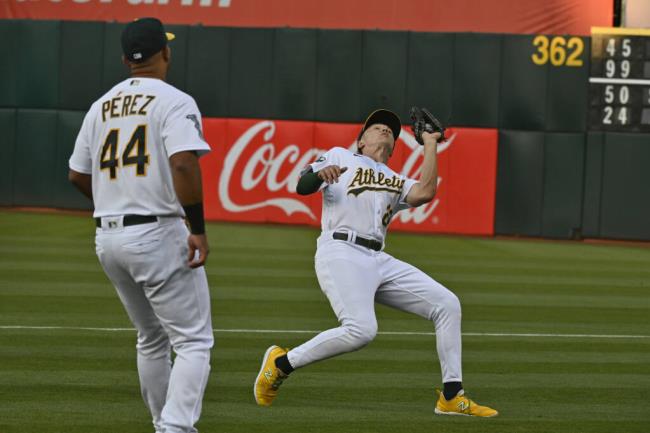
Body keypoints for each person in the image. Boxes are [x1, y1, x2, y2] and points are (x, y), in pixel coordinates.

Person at [253, 109, 498, 417]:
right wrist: (319, 175)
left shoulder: (396, 179)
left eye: (390, 131)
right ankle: (281, 363)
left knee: (447, 304)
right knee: (361, 330)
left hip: (377, 258)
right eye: (377, 127)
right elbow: (302, 186)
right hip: (340, 249)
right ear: (361, 139)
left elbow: (426, 192)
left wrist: (431, 144)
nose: (385, 131)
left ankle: (451, 396)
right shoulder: (340, 155)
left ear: (395, 147)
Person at [68, 17, 214, 433]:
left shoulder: (101, 106)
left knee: (151, 338)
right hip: (155, 233)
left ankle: (161, 423)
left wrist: (115, 201)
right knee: (193, 342)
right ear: (165, 52)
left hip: (109, 237)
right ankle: (174, 427)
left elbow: (77, 175)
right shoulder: (174, 100)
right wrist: (198, 228)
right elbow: (184, 161)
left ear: (124, 59)